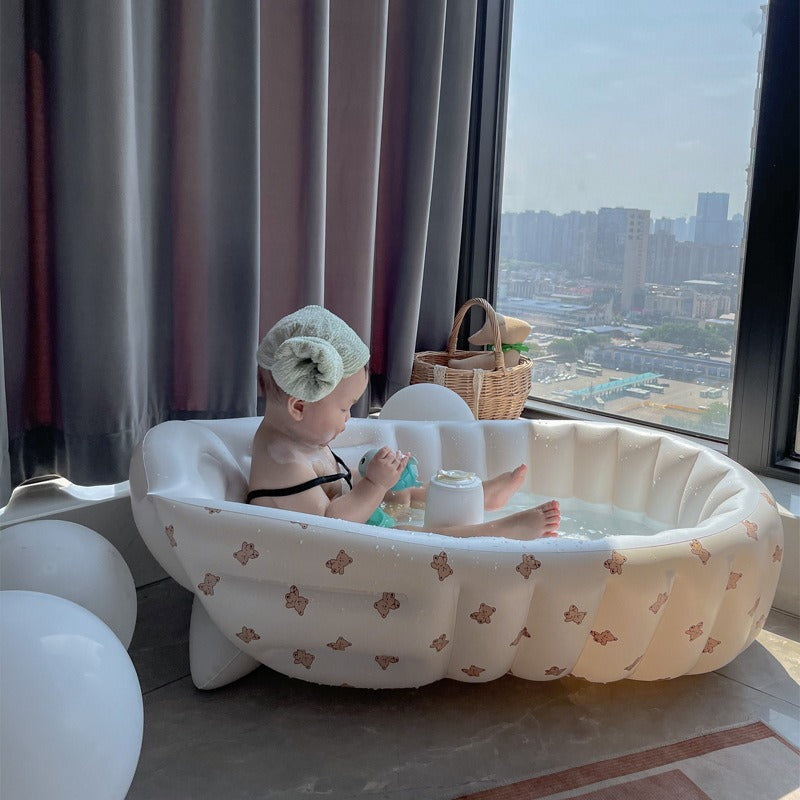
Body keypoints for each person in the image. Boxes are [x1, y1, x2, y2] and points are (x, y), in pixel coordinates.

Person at [247, 305, 560, 540]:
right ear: (299, 406)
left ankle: (476, 494)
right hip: (340, 552)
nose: (349, 417)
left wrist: (376, 474)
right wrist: (375, 483)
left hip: (352, 516)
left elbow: (333, 482)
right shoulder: (283, 463)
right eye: (345, 408)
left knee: (401, 492)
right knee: (414, 535)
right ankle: (499, 531)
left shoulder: (301, 436)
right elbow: (331, 525)